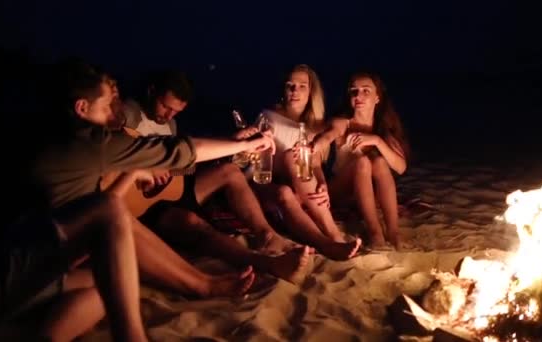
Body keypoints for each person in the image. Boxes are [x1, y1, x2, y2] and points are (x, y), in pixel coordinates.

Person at [0, 61, 270, 340]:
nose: (118, 105)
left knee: (106, 288)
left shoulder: (52, 137)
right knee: (114, 217)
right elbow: (177, 152)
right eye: (108, 102)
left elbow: (97, 213)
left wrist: (133, 173)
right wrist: (247, 144)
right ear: (82, 108)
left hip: (30, 274)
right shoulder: (87, 144)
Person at [120, 70, 311, 282]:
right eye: (165, 107)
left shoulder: (169, 125)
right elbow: (109, 154)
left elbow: (183, 159)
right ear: (151, 92)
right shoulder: (127, 115)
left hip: (170, 190)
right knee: (192, 222)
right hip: (145, 207)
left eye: (175, 112)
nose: (168, 116)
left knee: (229, 171)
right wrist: (144, 168)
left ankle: (266, 235)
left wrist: (233, 143)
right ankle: (266, 264)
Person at [253, 64, 362, 261]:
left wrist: (322, 184)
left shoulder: (314, 126)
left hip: (297, 180)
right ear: (284, 89)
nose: (295, 91)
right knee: (288, 164)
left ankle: (332, 236)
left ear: (311, 92)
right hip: (267, 178)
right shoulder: (268, 117)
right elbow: (255, 161)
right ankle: (330, 240)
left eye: (302, 86)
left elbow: (315, 164)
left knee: (291, 182)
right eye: (290, 85)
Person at [312, 71, 410, 250]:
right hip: (340, 189)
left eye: (366, 91)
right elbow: (328, 136)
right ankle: (375, 232)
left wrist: (377, 141)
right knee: (362, 162)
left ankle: (393, 231)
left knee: (379, 162)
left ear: (377, 98)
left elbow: (401, 167)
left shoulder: (381, 129)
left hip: (368, 194)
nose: (358, 96)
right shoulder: (344, 123)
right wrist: (314, 145)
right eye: (354, 91)